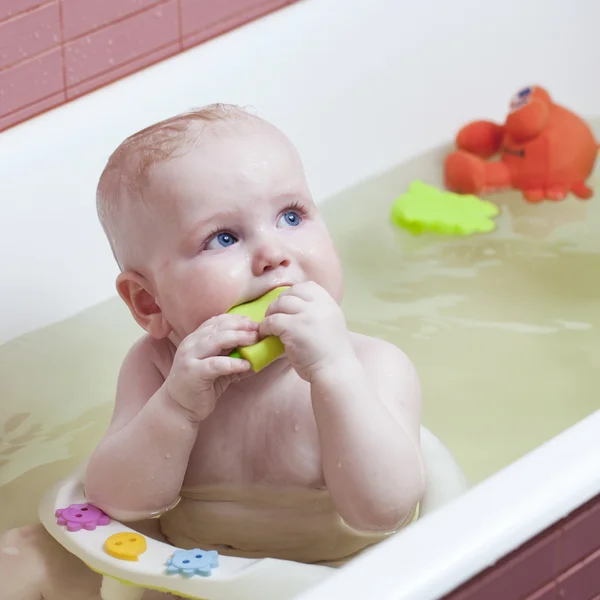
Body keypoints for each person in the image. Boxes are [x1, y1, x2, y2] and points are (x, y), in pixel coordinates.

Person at [0, 104, 425, 599]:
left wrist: (334, 372)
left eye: (292, 215)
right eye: (223, 238)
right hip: (182, 581)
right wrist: (177, 407)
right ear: (149, 301)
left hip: (325, 581)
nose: (274, 253)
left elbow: (383, 512)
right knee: (19, 561)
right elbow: (123, 502)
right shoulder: (157, 368)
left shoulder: (372, 365)